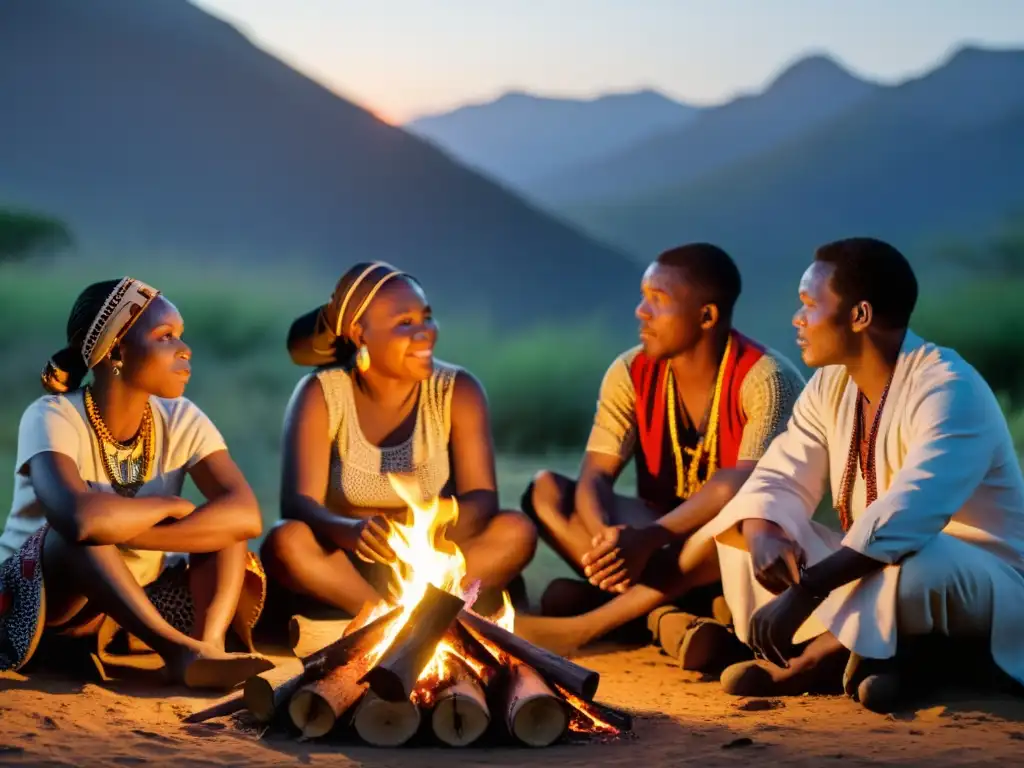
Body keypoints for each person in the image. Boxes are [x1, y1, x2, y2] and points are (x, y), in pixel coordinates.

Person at [705, 237, 1024, 713]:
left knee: (914, 560)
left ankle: (817, 661)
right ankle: (896, 658)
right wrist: (764, 532)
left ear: (859, 315)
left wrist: (808, 590)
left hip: (980, 576)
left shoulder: (950, 388)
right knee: (745, 523)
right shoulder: (830, 383)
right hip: (869, 563)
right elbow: (781, 474)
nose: (798, 318)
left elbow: (910, 514)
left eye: (810, 305)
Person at [516, 243, 805, 659]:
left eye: (658, 300)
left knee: (736, 518)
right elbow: (595, 475)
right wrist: (610, 540)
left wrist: (648, 540)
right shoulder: (630, 371)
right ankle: (667, 615)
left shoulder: (767, 378)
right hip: (654, 536)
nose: (640, 311)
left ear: (706, 316)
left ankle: (589, 624)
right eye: (642, 297)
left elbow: (741, 484)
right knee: (546, 491)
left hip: (730, 546)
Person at [0, 277, 271, 689]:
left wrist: (131, 534)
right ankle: (180, 654)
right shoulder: (52, 415)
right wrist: (167, 508)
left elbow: (246, 514)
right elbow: (79, 520)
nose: (185, 350)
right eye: (165, 337)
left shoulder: (181, 417)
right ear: (117, 351)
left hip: (127, 603)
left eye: (181, 336)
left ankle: (207, 645)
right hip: (35, 600)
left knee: (226, 527)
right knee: (75, 536)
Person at [260, 261, 537, 620]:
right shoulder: (321, 394)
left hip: (439, 558)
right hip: (350, 568)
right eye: (404, 324)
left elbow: (482, 499)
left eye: (426, 317)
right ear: (361, 334)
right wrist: (350, 531)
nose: (425, 333)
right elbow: (299, 505)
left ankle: (424, 613)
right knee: (286, 542)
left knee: (515, 531)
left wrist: (425, 526)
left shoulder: (458, 390)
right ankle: (387, 616)